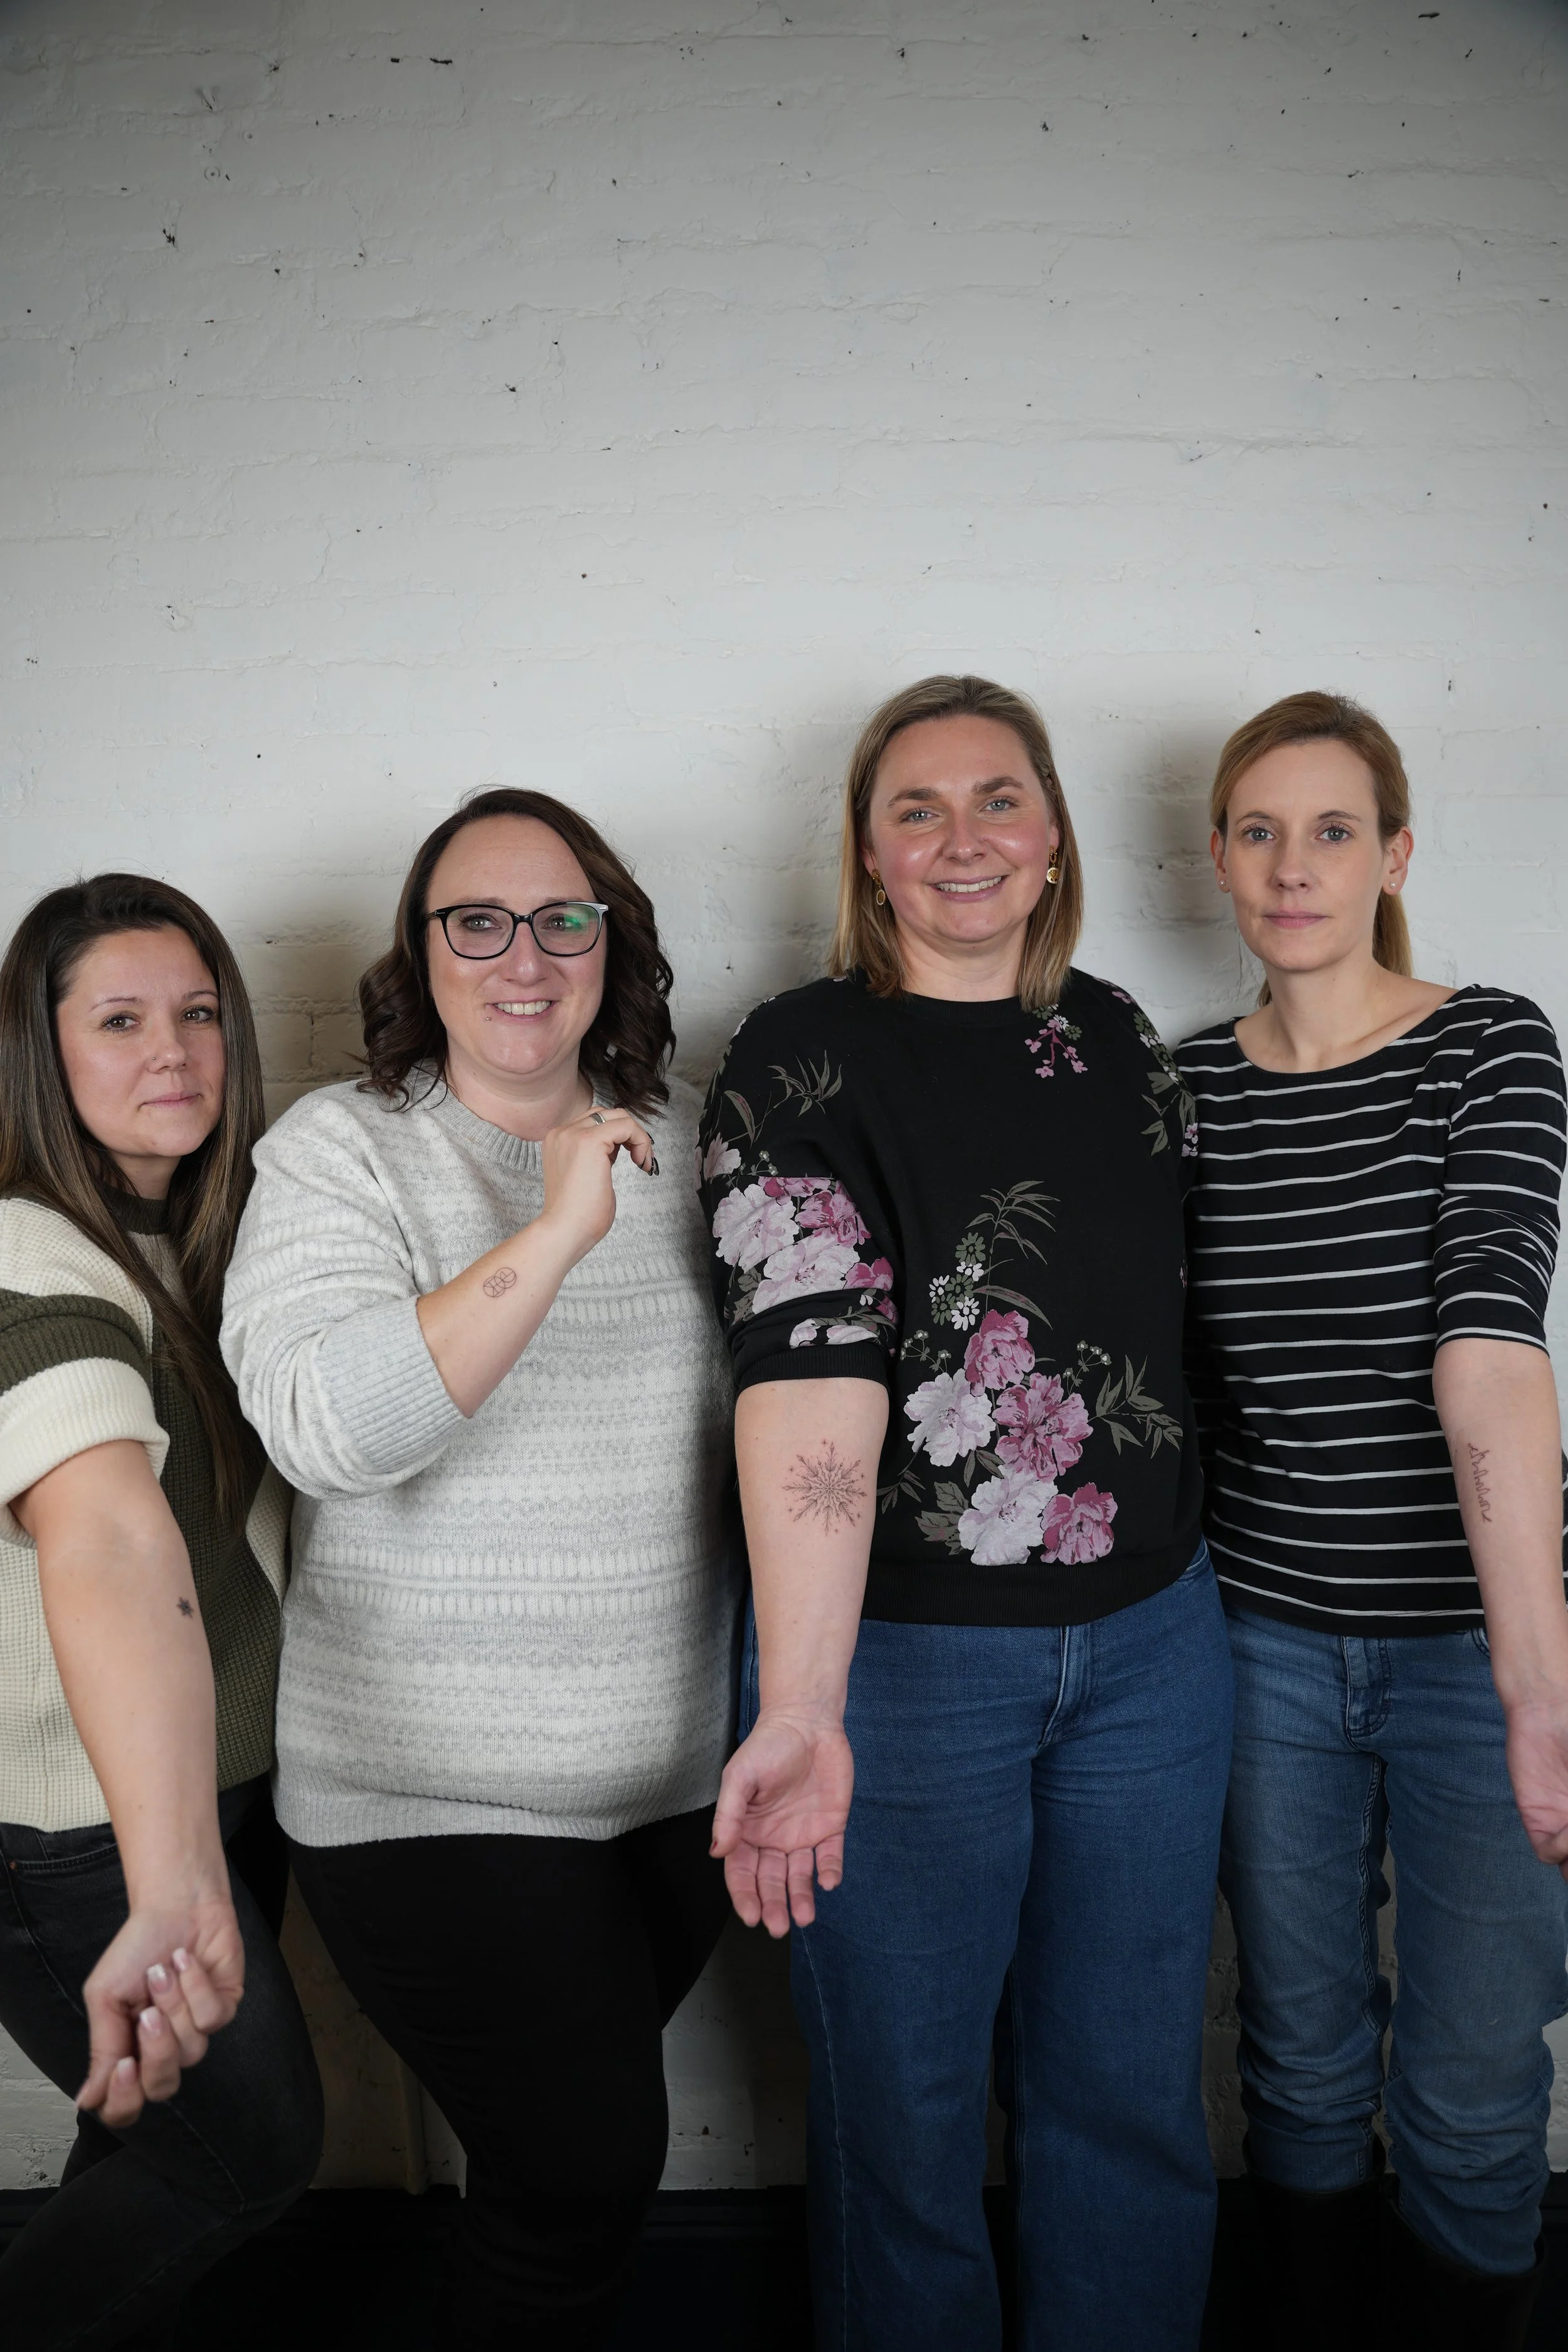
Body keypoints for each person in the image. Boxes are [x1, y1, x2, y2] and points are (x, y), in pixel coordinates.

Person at [697, 674, 1234, 2352]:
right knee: (906, 2118)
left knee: (1131, 2095)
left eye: (995, 796)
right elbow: (806, 1370)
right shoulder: (803, 1048)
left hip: (1156, 1647)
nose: (960, 837)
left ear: (1054, 826)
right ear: (865, 853)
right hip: (907, 1666)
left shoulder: (1127, 1040)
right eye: (914, 807)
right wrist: (801, 1699)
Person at [221, 787, 737, 2350]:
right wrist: (557, 1228)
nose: (524, 955)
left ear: (611, 942)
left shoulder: (704, 1141)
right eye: (477, 922)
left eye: (562, 917)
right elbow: (325, 1428)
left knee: (538, 2189)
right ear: (421, 953)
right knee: (588, 2174)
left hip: (673, 1802)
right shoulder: (340, 1152)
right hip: (426, 1801)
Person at [1174, 692, 1568, 2351]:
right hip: (1259, 1640)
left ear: (1392, 851)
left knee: (1476, 2081)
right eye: (1257, 829)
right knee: (1300, 2058)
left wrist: (1534, 1680)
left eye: (1331, 828)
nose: (1292, 864)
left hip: (1478, 1643)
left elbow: (1485, 1352)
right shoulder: (1182, 1084)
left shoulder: (1491, 1042)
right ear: (1215, 858)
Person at [0, 874, 322, 2349]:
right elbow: (112, 1545)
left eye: (197, 1013)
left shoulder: (190, 1243)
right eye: (118, 1020)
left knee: (145, 2163)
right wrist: (171, 1877)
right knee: (248, 2149)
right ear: (39, 1057)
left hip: (205, 1797)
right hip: (81, 1830)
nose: (173, 1051)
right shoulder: (27, 1258)